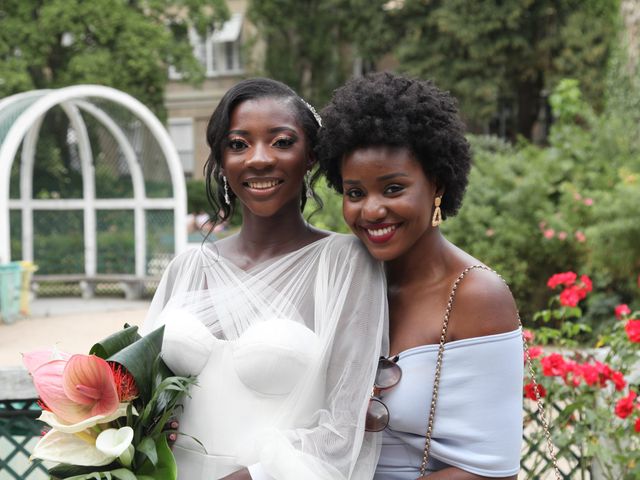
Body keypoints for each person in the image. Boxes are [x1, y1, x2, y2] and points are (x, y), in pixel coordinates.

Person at [141, 78, 388, 480]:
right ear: (221, 160)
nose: (258, 159)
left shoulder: (345, 264)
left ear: (310, 155)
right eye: (238, 144)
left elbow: (344, 431)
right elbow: (138, 394)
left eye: (281, 141)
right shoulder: (186, 269)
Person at [316, 72, 523, 479]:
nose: (371, 210)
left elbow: (494, 472)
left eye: (393, 189)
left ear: (438, 186)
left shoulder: (476, 296)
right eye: (355, 193)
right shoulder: (341, 277)